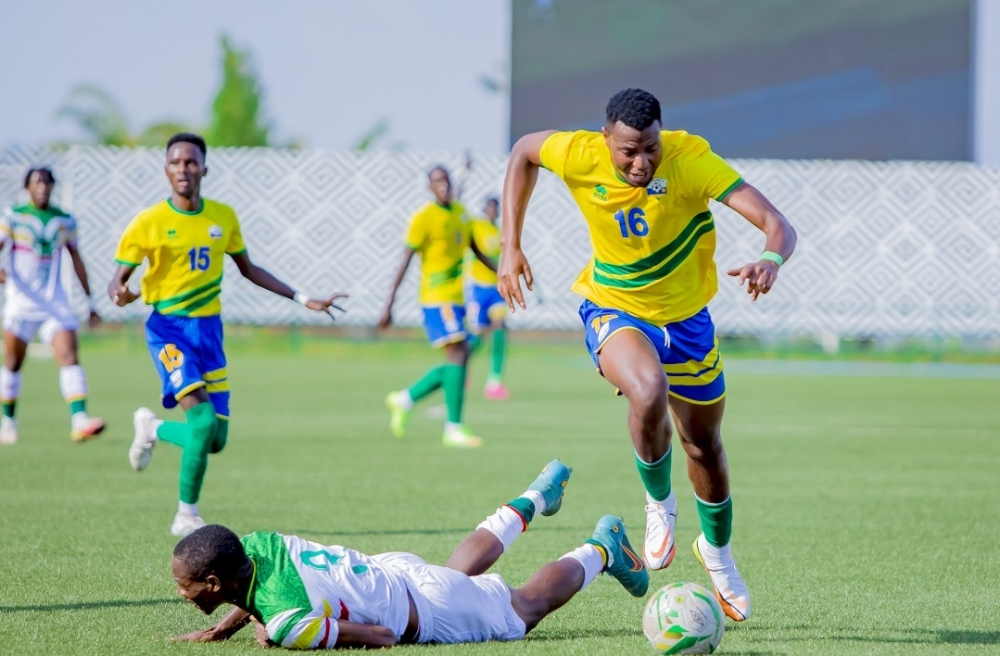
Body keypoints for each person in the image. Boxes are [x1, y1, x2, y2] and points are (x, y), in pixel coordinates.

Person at [496, 88, 798, 622]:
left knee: (704, 447)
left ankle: (718, 554)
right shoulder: (579, 153)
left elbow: (778, 223)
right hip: (614, 308)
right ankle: (659, 505)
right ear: (606, 138)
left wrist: (770, 259)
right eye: (629, 151)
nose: (641, 162)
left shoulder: (690, 159)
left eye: (651, 149)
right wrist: (510, 245)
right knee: (647, 389)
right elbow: (523, 150)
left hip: (687, 323)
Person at [108, 133, 347, 537]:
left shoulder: (222, 217)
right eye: (176, 162)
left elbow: (249, 269)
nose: (184, 169)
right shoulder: (148, 222)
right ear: (166, 169)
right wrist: (121, 292)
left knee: (215, 439)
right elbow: (118, 281)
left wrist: (303, 298)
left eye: (191, 162)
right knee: (201, 422)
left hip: (209, 334)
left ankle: (153, 429)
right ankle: (186, 514)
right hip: (168, 330)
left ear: (204, 168)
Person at [170, 459, 649, 648]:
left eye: (185, 583)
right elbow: (252, 590)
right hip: (392, 571)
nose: (181, 591)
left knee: (522, 610)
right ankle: (537, 496)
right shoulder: (255, 545)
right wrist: (223, 628)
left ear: (214, 582)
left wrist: (278, 633)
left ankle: (601, 549)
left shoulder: (285, 621)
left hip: (423, 612)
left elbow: (380, 638)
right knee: (454, 577)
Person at [378, 166, 496, 448]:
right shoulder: (424, 218)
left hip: (457, 299)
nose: (443, 186)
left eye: (446, 180)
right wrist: (389, 304)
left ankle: (405, 399)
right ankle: (453, 428)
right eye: (437, 182)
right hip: (435, 298)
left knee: (461, 355)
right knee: (458, 353)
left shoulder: (462, 215)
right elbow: (405, 260)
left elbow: (476, 252)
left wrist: (503, 273)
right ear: (429, 187)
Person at [0, 166, 105, 445]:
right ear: (27, 187)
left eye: (47, 183)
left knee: (69, 355)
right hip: (20, 304)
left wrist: (90, 302)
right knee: (12, 362)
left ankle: (79, 420)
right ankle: (8, 422)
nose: (43, 187)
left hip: (54, 304)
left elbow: (76, 258)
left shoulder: (65, 220)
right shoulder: (14, 217)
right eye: (37, 182)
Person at [466, 197, 509, 400]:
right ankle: (462, 365)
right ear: (484, 209)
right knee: (478, 336)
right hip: (478, 289)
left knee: (500, 328)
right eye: (489, 208)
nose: (493, 212)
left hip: (495, 289)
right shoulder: (476, 226)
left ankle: (494, 381)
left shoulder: (500, 232)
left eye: (495, 208)